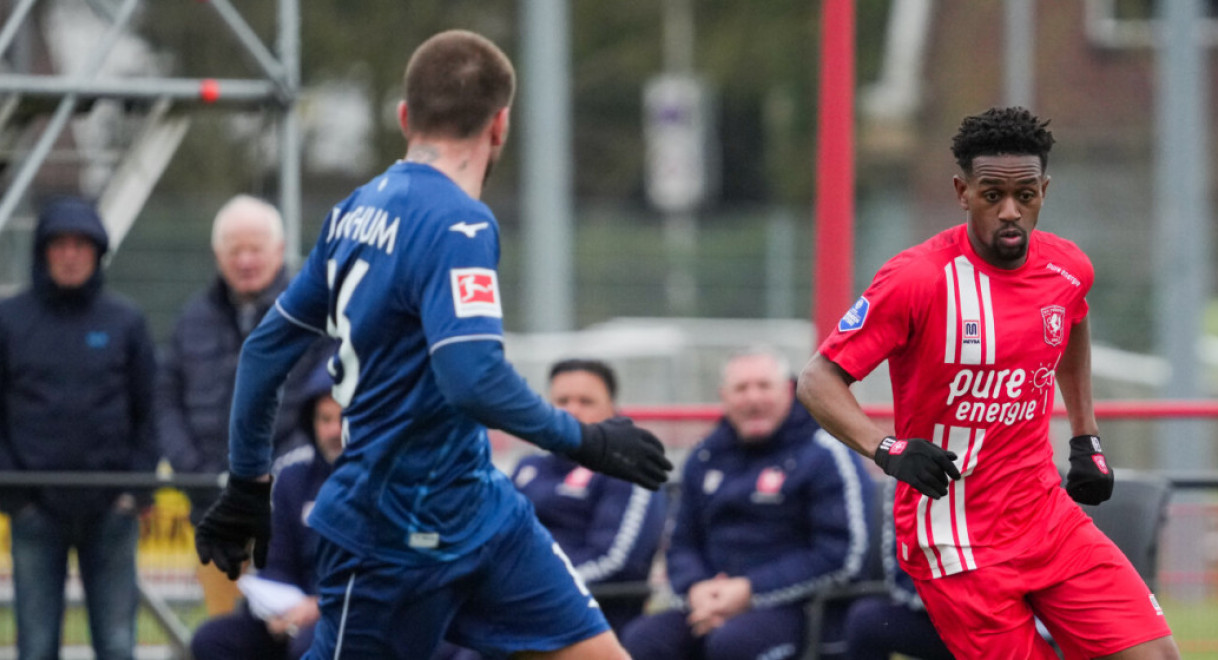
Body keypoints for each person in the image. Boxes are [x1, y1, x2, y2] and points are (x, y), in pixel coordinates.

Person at [193, 29, 672, 660]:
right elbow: (472, 377)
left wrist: (247, 484)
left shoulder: (351, 214)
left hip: (480, 512)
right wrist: (588, 439)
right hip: (391, 530)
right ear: (500, 125)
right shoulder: (460, 222)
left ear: (403, 116)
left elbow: (264, 352)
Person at [797, 107, 1179, 660]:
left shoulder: (1067, 269)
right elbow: (817, 379)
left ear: (1044, 190)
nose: (1009, 212)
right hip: (954, 538)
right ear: (962, 191)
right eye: (991, 194)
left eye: (1025, 196)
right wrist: (887, 449)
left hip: (1045, 515)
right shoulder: (916, 280)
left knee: (1157, 656)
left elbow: (1071, 320)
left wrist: (1084, 436)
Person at [620, 349, 875, 660]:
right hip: (709, 601)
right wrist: (696, 589)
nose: (753, 399)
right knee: (642, 639)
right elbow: (681, 542)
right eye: (741, 388)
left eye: (764, 386)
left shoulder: (825, 453)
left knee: (733, 644)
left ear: (788, 391)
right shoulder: (703, 456)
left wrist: (750, 591)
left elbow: (844, 555)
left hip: (804, 609)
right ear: (723, 396)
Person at [157, 194, 333, 616]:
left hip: (291, 514)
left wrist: (276, 474)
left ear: (279, 250)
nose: (246, 260)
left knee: (293, 628)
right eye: (235, 250)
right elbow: (166, 400)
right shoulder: (191, 319)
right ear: (218, 255)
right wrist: (195, 471)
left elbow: (322, 401)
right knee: (225, 631)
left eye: (256, 248)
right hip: (213, 511)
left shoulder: (312, 313)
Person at [0, 197, 159, 660]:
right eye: (60, 244)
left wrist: (135, 493)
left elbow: (149, 412)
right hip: (34, 515)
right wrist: (16, 498)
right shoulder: (9, 321)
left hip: (112, 514)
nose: (70, 254)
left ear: (97, 252)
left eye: (81, 244)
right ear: (43, 252)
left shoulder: (126, 321)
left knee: (115, 644)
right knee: (36, 645)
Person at [190, 367, 341, 660]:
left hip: (348, 615)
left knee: (309, 645)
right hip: (292, 613)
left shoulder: (376, 479)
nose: (333, 430)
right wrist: (278, 610)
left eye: (341, 419)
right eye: (325, 419)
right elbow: (276, 561)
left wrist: (319, 606)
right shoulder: (292, 476)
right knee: (213, 640)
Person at [510, 359, 669, 633]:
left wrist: (529, 589)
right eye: (562, 401)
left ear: (612, 408)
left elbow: (617, 563)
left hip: (587, 618)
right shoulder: (529, 466)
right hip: (512, 605)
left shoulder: (631, 469)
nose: (572, 410)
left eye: (586, 401)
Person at [843, 480, 953, 660]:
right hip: (942, 613)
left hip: (997, 607)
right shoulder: (911, 468)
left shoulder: (1001, 468)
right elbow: (903, 566)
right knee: (866, 620)